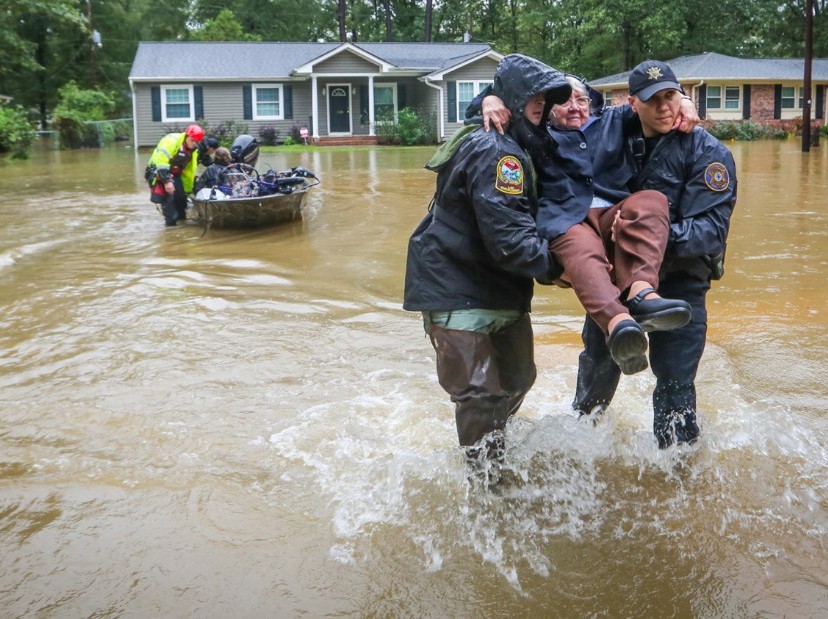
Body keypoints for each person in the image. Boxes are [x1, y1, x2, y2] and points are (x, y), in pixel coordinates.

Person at [403, 54, 571, 465]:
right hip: (454, 285)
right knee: (480, 394)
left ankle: (491, 453)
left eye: (548, 98)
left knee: (518, 380)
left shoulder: (526, 138)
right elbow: (511, 240)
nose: (543, 103)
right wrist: (560, 269)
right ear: (511, 98)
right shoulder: (499, 153)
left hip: (501, 287)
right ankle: (486, 489)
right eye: (535, 95)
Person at [474, 75, 695, 376]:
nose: (575, 107)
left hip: (612, 213)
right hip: (567, 216)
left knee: (652, 201)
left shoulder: (613, 121)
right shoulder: (536, 133)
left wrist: (684, 100)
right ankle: (619, 324)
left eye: (581, 100)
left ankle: (642, 294)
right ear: (548, 108)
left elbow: (650, 102)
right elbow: (504, 98)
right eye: (565, 101)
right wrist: (489, 98)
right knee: (581, 247)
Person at [571, 60, 737, 448]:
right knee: (595, 373)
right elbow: (557, 105)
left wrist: (637, 236)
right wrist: (491, 100)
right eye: (653, 100)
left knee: (676, 383)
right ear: (632, 104)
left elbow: (710, 232)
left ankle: (677, 473)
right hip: (616, 286)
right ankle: (580, 450)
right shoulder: (609, 130)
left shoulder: (709, 154)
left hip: (681, 286)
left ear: (683, 97)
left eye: (670, 96)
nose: (664, 107)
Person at [146, 124, 206, 226]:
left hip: (175, 173)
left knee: (181, 200)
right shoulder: (171, 142)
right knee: (169, 202)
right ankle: (170, 228)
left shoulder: (193, 150)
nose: (194, 144)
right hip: (158, 172)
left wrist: (188, 190)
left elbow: (189, 171)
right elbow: (161, 162)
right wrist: (167, 182)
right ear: (186, 136)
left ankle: (182, 223)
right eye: (192, 140)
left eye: (197, 142)